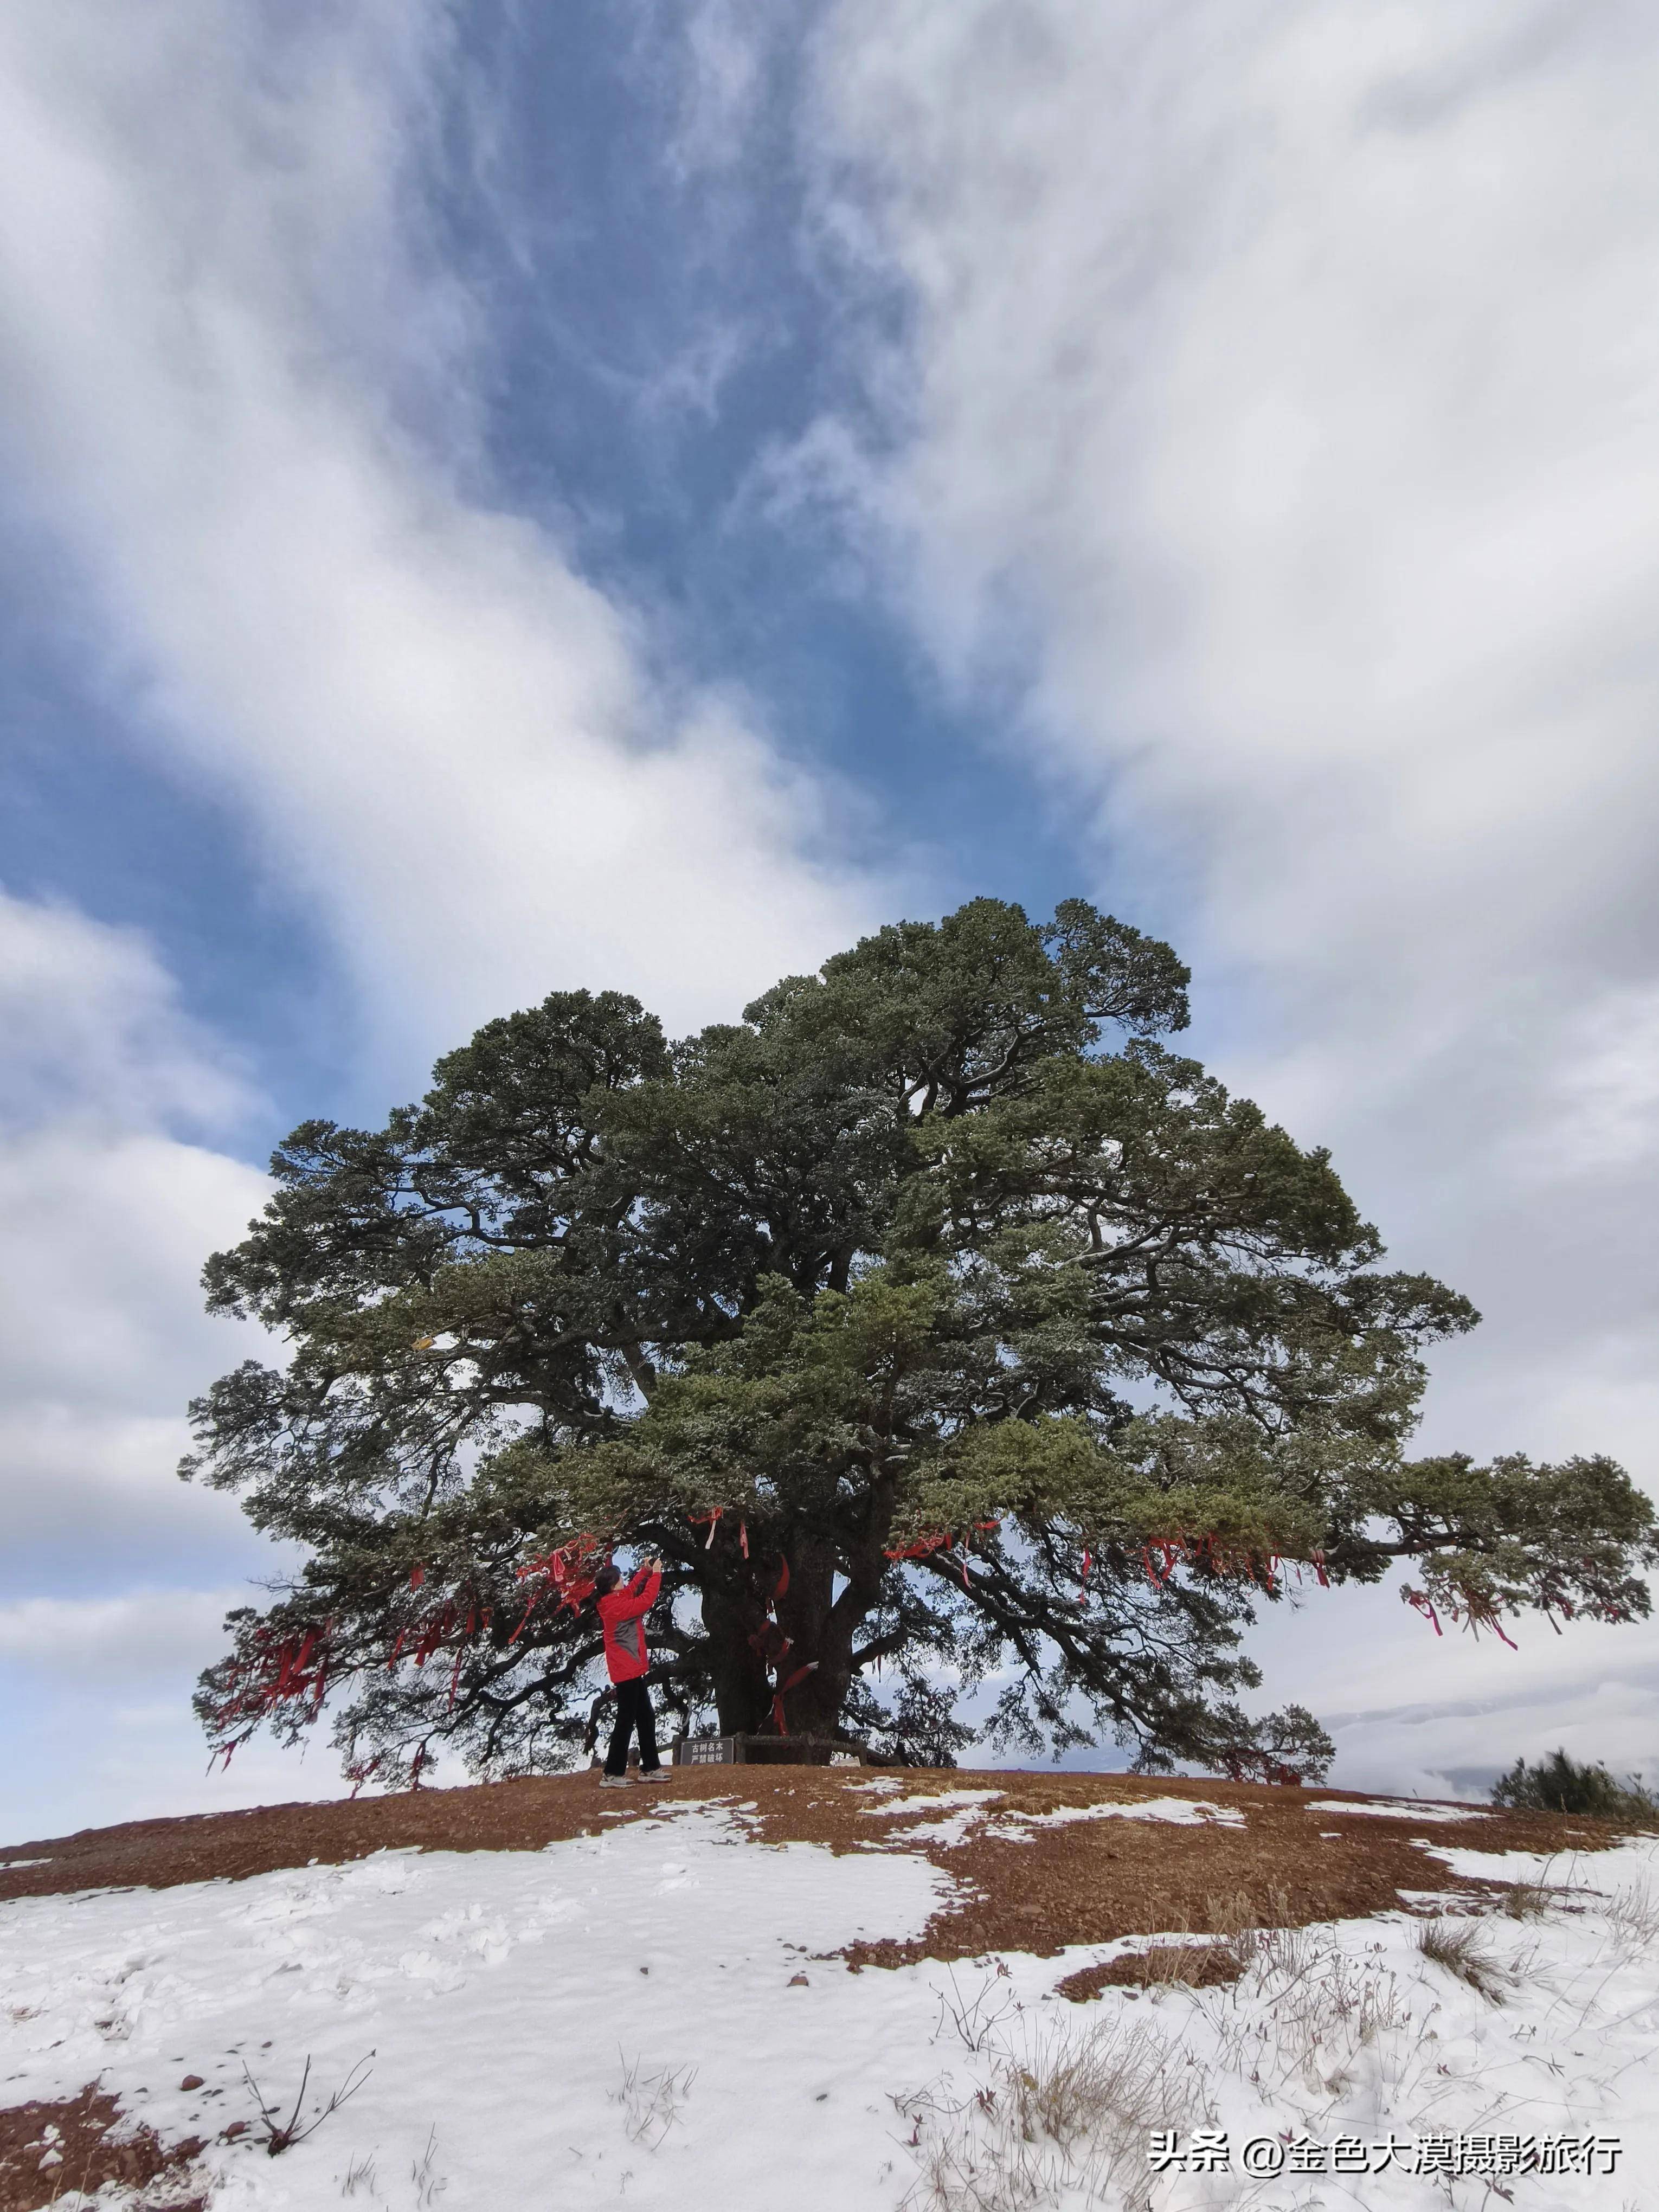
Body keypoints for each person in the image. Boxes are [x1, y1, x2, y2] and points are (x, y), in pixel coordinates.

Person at [594, 1555, 663, 1785]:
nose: (624, 1581)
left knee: (645, 1717)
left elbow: (632, 1590)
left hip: (630, 1669)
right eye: (620, 1579)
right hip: (627, 1671)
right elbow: (645, 1601)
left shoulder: (614, 1600)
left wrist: (644, 1572)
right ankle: (612, 1773)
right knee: (626, 1721)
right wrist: (656, 1575)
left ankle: (650, 1768)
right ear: (613, 1585)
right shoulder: (617, 1607)